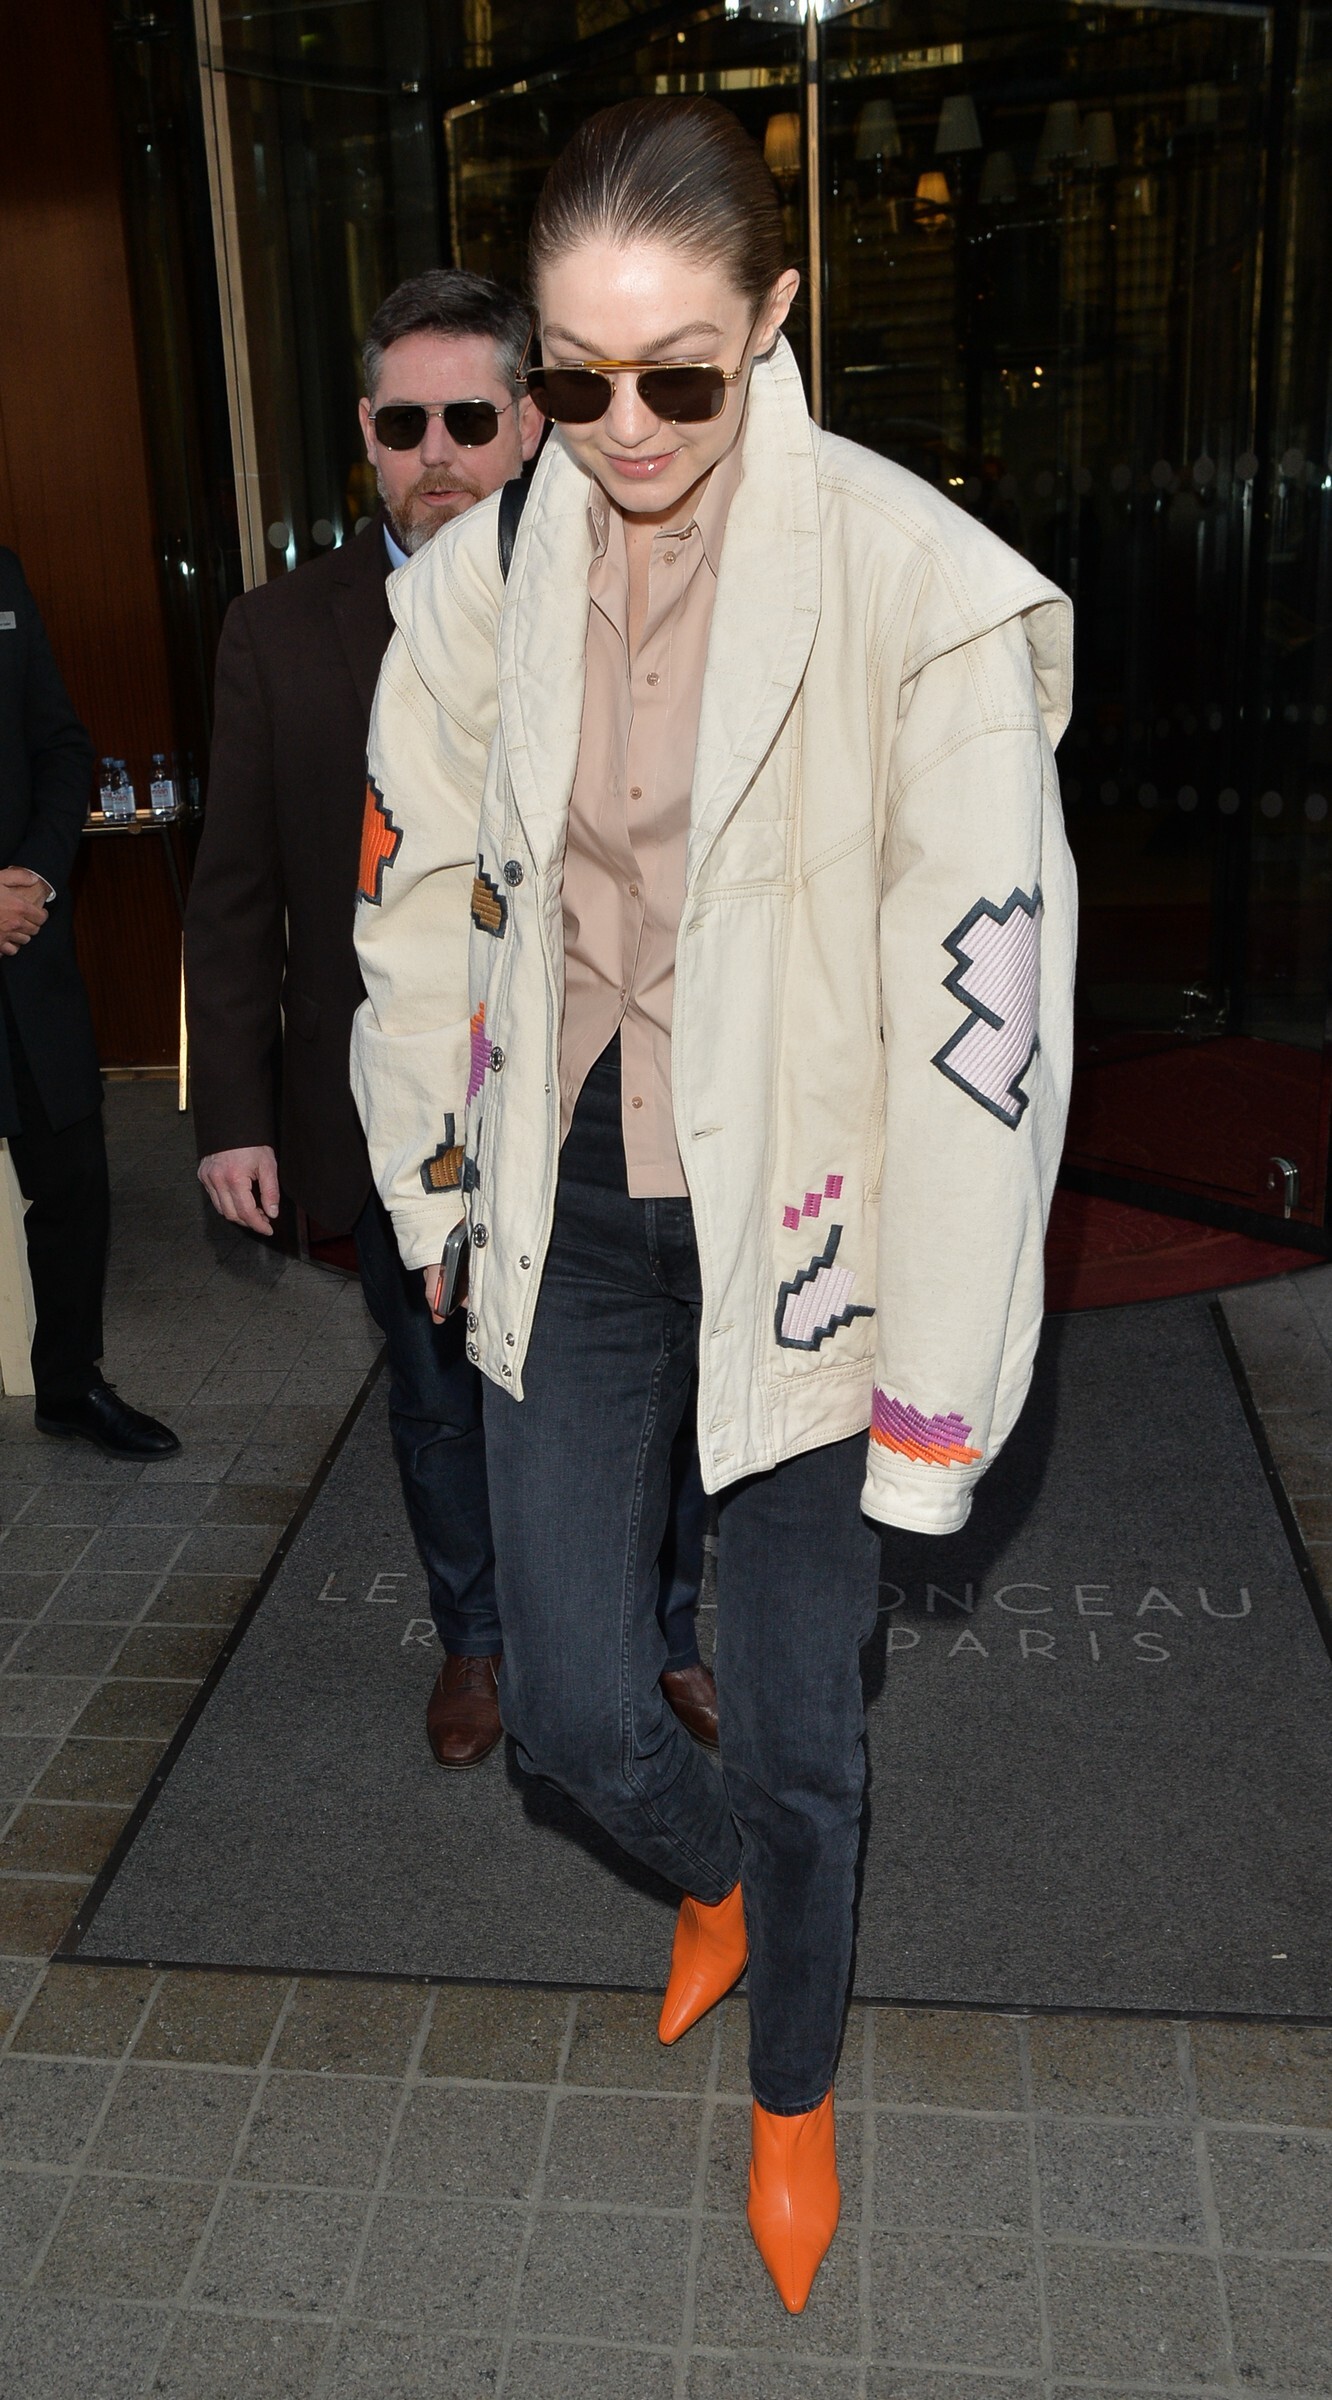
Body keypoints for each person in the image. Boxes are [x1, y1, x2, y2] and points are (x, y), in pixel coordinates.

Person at [351, 101, 1074, 2311]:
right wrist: (436, 1187)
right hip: (575, 1183)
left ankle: (792, 2091)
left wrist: (936, 1381)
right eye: (573, 382)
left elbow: (986, 1033)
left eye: (680, 370)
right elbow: (423, 909)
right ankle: (717, 1883)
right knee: (576, 1712)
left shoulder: (918, 591)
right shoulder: (481, 581)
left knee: (797, 1728)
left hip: (821, 1217)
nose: (627, 428)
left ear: (775, 316)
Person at [186, 269, 718, 1767]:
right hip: (390, 1101)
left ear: (531, 425)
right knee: (437, 1403)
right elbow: (235, 893)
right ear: (365, 432)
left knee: (642, 1390)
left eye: (471, 421)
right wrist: (231, 1116)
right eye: (405, 423)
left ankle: (661, 1638)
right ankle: (477, 1640)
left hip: (602, 1090)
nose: (438, 454)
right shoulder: (277, 631)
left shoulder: (629, 592)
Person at [0, 550, 179, 1460]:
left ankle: (70, 1385)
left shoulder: (2, 578)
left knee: (73, 1182)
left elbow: (62, 746)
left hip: (26, 952)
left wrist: (35, 873)